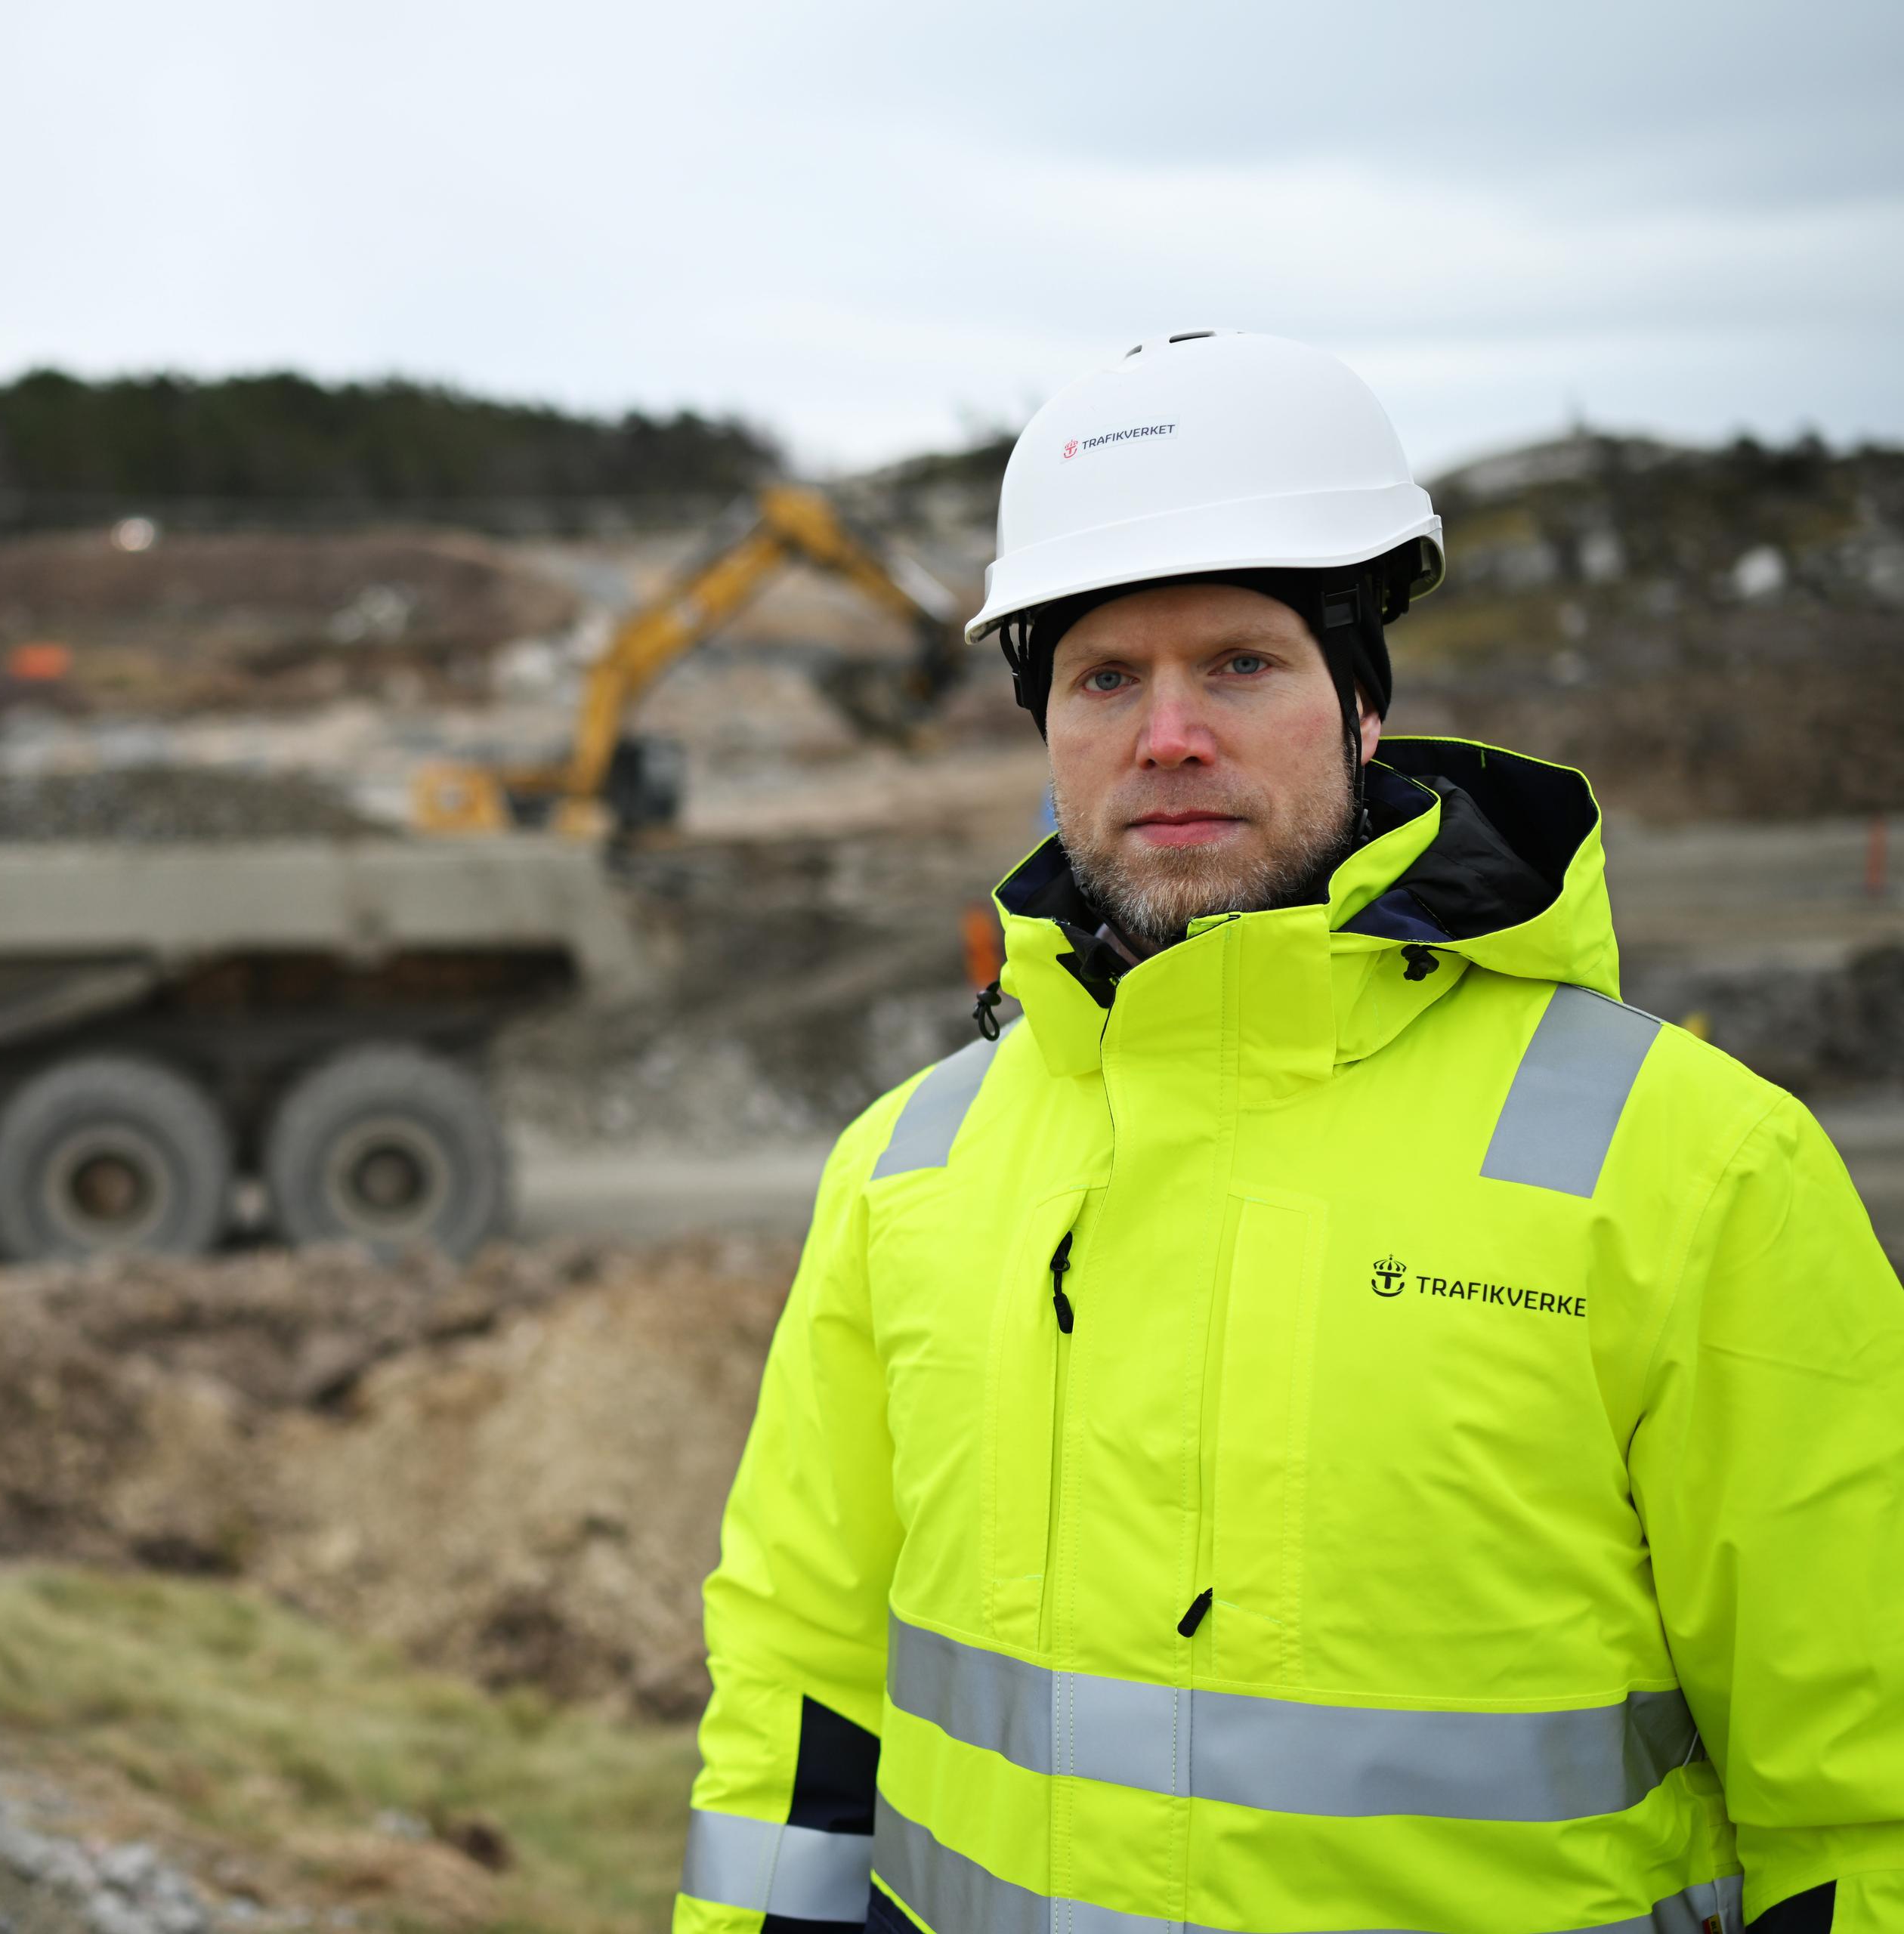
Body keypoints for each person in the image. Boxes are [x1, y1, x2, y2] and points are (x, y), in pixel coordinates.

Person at [675, 331, 1904, 1934]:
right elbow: (799, 1688)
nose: (1167, 732)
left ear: (1364, 707)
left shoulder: (1701, 1168)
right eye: (1106, 677)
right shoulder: (907, 1167)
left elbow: (1860, 1794)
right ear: (1046, 736)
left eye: (1240, 664)